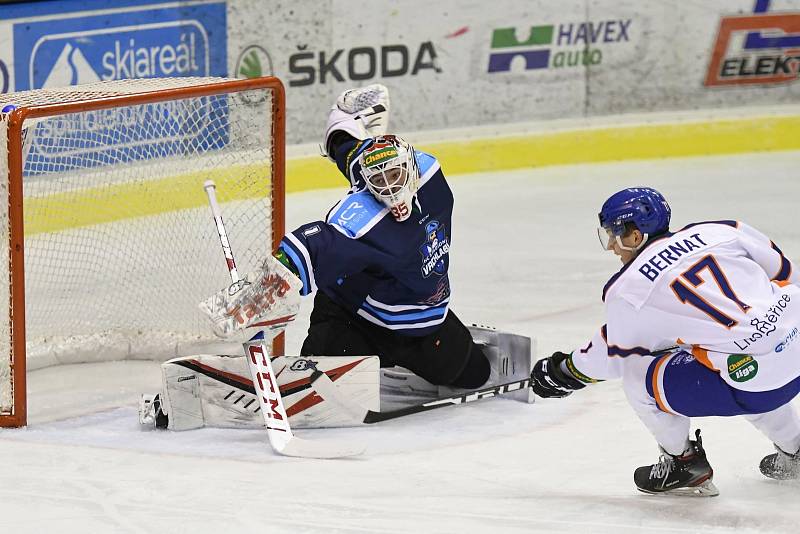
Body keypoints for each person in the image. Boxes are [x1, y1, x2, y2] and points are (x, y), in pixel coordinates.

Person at [530, 186, 800, 496]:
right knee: (740, 354)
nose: (611, 247)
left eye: (614, 236)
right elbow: (786, 273)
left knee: (641, 373)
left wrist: (565, 372)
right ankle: (797, 449)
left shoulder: (630, 288)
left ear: (634, 236)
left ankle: (682, 463)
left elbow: (616, 355)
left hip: (757, 384)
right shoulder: (722, 230)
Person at [270, 83, 497, 391]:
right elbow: (315, 245)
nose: (388, 188)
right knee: (318, 389)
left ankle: (344, 115)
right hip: (353, 314)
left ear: (411, 168)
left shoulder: (429, 174)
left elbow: (352, 153)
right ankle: (344, 356)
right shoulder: (363, 217)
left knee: (474, 374)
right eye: (377, 179)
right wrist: (266, 288)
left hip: (420, 322)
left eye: (394, 175)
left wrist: (344, 127)